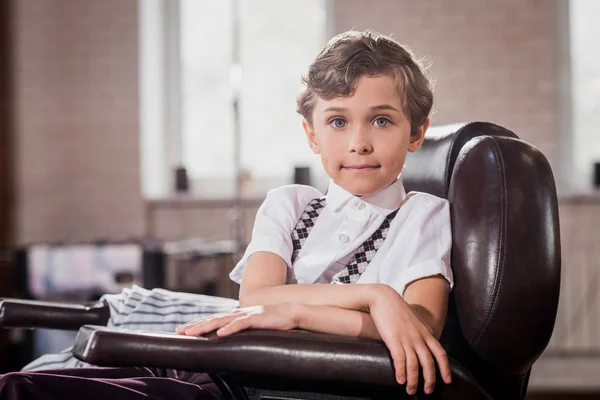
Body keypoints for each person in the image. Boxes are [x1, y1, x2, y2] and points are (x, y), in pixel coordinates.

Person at [0, 29, 453, 399]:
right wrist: (377, 298)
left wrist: (299, 310)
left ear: (417, 132)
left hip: (268, 388)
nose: (358, 142)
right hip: (220, 365)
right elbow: (259, 296)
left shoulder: (424, 215)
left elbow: (421, 325)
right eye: (338, 122)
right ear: (312, 136)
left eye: (381, 120)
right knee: (26, 384)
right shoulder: (288, 205)